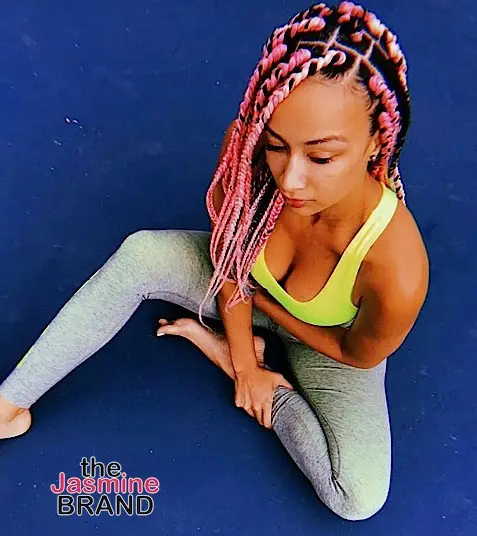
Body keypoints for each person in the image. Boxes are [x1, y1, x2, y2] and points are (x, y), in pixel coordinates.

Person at [0, 1, 429, 522]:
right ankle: (7, 407)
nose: (290, 180)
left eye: (321, 157)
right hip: (239, 290)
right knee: (140, 255)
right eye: (277, 145)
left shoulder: (397, 269)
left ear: (376, 142)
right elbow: (230, 268)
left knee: (357, 497)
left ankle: (252, 368)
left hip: (329, 345)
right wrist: (246, 366)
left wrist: (260, 334)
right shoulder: (246, 158)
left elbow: (354, 354)